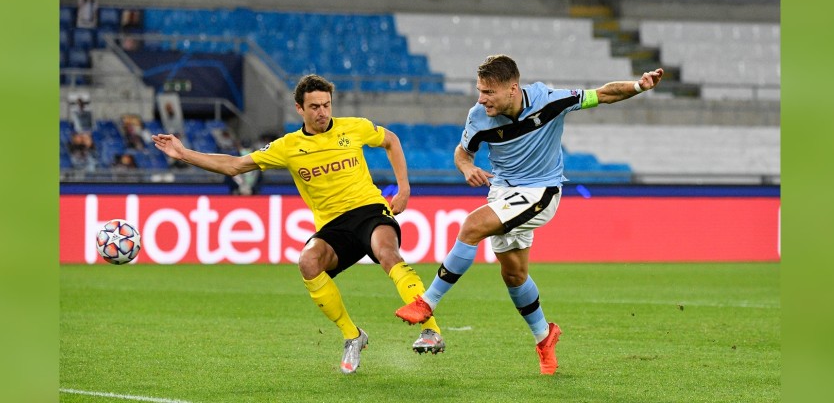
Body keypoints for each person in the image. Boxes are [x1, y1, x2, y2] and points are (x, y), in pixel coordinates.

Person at [152, 74, 445, 374]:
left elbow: (391, 140)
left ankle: (430, 330)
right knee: (308, 261)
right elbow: (235, 166)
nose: (322, 112)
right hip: (333, 226)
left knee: (387, 254)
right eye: (315, 106)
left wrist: (404, 188)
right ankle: (352, 335)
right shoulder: (288, 147)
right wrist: (183, 153)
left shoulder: (353, 127)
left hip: (369, 210)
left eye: (327, 105)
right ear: (299, 109)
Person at [395, 54, 663, 375]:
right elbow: (463, 151)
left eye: (488, 92)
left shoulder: (550, 101)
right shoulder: (479, 116)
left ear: (512, 88)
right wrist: (467, 167)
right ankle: (545, 337)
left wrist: (638, 85)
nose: (482, 99)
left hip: (542, 191)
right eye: (479, 91)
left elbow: (603, 94)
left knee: (472, 226)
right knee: (514, 275)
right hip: (504, 191)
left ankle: (427, 302)